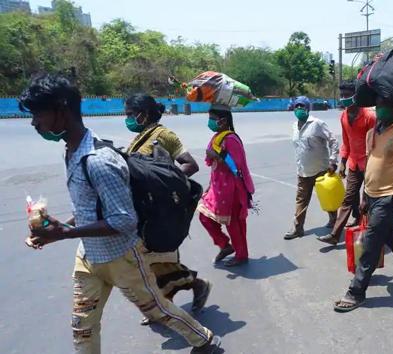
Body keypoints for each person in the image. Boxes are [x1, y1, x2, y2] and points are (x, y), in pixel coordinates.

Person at [20, 74, 220, 354]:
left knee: (158, 310)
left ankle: (204, 340)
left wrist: (65, 233)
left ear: (61, 110)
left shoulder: (99, 161)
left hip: (122, 257)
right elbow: (90, 208)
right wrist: (55, 228)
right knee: (82, 325)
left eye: (38, 114)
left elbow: (124, 220)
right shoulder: (72, 151)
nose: (34, 123)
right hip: (88, 257)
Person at [333, 95, 393, 312]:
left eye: (386, 106)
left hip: (390, 195)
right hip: (371, 193)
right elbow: (370, 166)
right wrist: (363, 197)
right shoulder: (372, 133)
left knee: (371, 241)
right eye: (378, 105)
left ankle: (356, 292)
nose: (381, 110)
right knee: (389, 235)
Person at [124, 94, 211, 326]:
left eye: (131, 114)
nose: (128, 119)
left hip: (159, 211)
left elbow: (190, 164)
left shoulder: (163, 135)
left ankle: (196, 285)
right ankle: (161, 304)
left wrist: (163, 182)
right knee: (150, 263)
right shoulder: (138, 139)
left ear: (143, 113)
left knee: (155, 261)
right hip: (142, 211)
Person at [318, 81, 375, 245]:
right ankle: (335, 235)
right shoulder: (343, 116)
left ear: (356, 95)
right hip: (353, 163)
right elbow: (346, 142)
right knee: (348, 198)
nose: (344, 98)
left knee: (367, 201)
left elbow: (374, 143)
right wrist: (342, 161)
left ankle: (368, 234)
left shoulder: (369, 116)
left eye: (347, 94)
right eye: (342, 95)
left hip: (370, 164)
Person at [198, 108, 255, 267]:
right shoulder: (216, 137)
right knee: (204, 217)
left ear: (223, 120)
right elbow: (212, 164)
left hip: (232, 189)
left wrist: (216, 155)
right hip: (217, 188)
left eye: (212, 118)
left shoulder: (231, 139)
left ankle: (241, 255)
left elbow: (236, 166)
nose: (210, 121)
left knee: (234, 224)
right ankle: (224, 245)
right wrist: (209, 186)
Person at [284, 96, 339, 240]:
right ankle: (297, 228)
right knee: (301, 199)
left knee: (326, 197)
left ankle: (334, 220)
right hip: (303, 170)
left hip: (321, 169)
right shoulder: (294, 125)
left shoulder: (317, 124)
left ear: (308, 108)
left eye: (302, 106)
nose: (299, 109)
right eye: (297, 106)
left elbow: (333, 141)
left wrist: (333, 160)